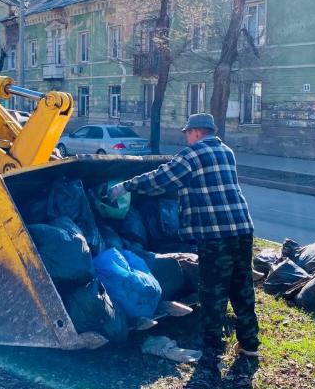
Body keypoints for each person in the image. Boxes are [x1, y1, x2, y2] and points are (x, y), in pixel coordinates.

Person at [108, 113, 259, 361]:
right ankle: (249, 344)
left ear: (197, 132)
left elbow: (163, 176)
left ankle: (212, 348)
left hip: (215, 233)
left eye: (187, 133)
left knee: (212, 288)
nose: (186, 137)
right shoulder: (226, 152)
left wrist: (126, 186)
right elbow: (180, 182)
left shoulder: (193, 154)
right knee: (241, 285)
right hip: (241, 228)